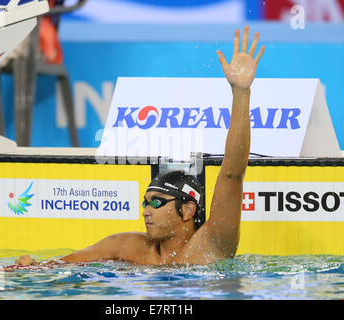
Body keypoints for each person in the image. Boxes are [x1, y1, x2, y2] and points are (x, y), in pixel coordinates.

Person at [16, 26, 265, 267]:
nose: (146, 211)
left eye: (156, 202)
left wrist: (241, 93)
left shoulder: (210, 246)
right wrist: (32, 267)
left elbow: (232, 173)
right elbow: (55, 267)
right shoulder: (128, 246)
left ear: (188, 209)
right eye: (145, 203)